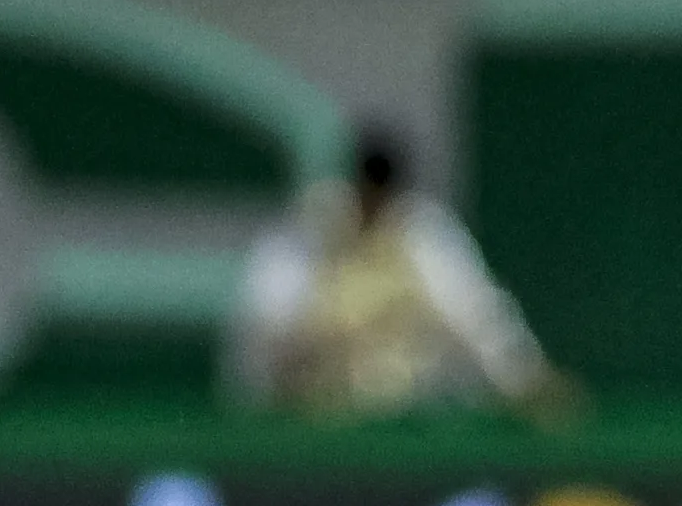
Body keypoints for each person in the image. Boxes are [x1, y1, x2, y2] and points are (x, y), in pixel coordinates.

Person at [229, 126, 574, 422]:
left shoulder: (420, 233)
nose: (374, 200)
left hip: (402, 411)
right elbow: (264, 324)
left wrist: (524, 377)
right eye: (367, 187)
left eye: (382, 190)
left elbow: (472, 312)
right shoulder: (308, 231)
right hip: (305, 408)